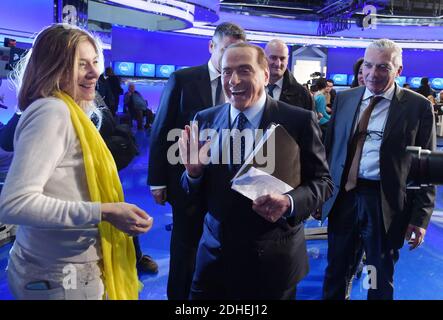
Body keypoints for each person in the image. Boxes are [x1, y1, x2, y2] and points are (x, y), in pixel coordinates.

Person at [0, 24, 153, 300]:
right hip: (61, 276)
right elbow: (14, 204)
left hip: (55, 270)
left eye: (95, 62)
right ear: (54, 68)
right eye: (81, 64)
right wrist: (104, 212)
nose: (95, 72)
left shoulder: (65, 109)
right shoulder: (53, 111)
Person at [179, 42, 333, 299]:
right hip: (214, 261)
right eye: (227, 71)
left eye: (244, 70)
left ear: (265, 74)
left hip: (272, 263)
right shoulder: (204, 119)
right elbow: (191, 192)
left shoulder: (299, 120)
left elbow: (323, 182)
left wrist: (288, 202)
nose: (233, 80)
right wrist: (193, 174)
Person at [322, 39, 436, 300]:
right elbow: (331, 150)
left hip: (384, 205)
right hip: (343, 200)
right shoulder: (346, 99)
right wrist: (323, 193)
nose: (373, 74)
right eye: (369, 66)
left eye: (383, 67)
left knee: (377, 274)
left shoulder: (418, 107)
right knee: (337, 269)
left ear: (398, 69)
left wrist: (420, 218)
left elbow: (425, 168)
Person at [148, 22, 246, 300]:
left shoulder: (243, 85)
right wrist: (157, 180)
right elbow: (162, 131)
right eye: (226, 49)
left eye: (238, 51)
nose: (231, 58)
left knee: (224, 249)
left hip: (228, 186)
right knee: (185, 249)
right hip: (186, 180)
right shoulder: (184, 79)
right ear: (212, 46)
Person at [264, 39, 313, 111]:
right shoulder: (251, 88)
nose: (278, 63)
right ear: (264, 58)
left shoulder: (303, 94)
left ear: (287, 60)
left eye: (282, 58)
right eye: (273, 58)